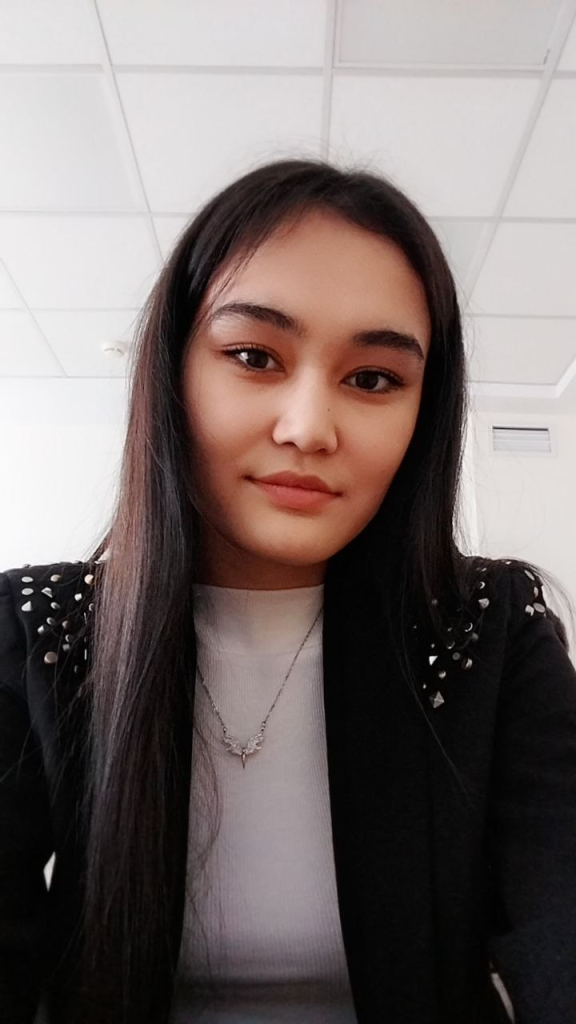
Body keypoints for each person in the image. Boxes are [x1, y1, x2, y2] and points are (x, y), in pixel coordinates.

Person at [1, 158, 575, 1024]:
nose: (309, 427)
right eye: (254, 356)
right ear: (173, 373)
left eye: (374, 378)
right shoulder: (44, 631)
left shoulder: (487, 630)